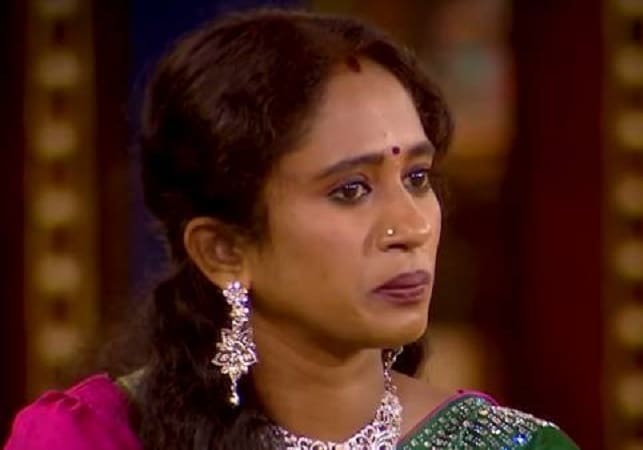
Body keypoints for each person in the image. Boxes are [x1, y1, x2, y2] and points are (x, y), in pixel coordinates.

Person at [5, 8, 578, 450]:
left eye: (417, 177)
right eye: (350, 189)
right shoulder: (89, 439)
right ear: (222, 249)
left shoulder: (512, 446)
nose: (410, 226)